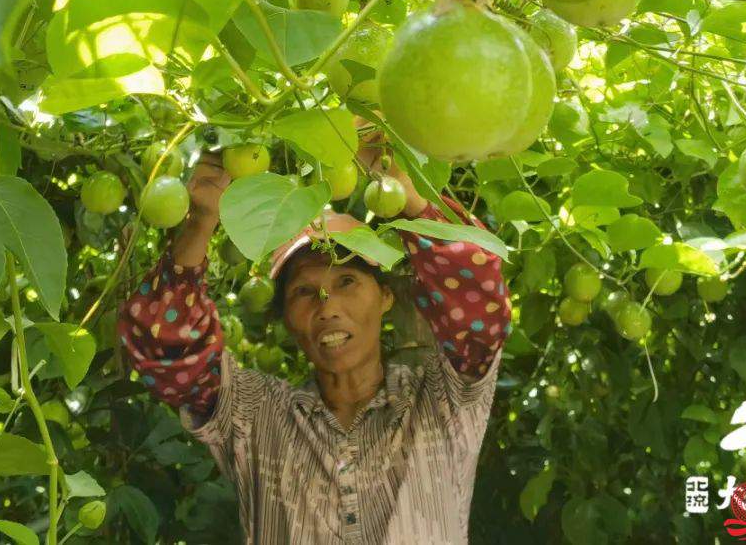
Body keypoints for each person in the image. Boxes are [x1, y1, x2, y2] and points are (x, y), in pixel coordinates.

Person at [118, 136, 512, 544]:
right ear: (287, 318)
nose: (328, 306)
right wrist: (200, 223)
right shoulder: (255, 417)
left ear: (386, 296)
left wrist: (407, 194)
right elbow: (163, 345)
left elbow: (476, 293)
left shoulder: (444, 403)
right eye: (304, 291)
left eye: (347, 281)